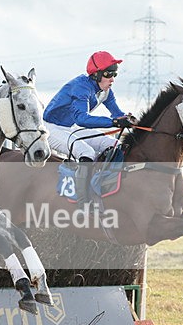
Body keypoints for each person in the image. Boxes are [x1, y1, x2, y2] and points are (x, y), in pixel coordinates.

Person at [43, 51, 137, 208]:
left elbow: (117, 115)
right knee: (86, 153)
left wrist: (127, 120)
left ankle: (105, 188)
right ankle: (83, 203)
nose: (112, 79)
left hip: (71, 127)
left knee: (113, 144)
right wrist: (114, 122)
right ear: (96, 74)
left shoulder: (106, 90)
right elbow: (82, 119)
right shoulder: (80, 88)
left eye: (115, 74)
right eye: (108, 74)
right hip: (51, 128)